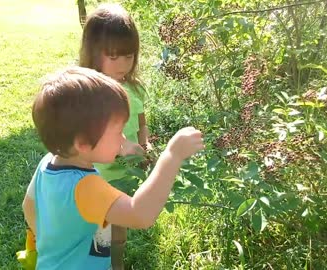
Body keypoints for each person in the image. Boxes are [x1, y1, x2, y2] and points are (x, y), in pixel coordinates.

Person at [20, 66, 204, 269]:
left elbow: (28, 206)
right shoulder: (86, 187)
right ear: (83, 143)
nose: (123, 138)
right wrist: (172, 156)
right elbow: (139, 214)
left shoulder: (47, 163)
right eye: (118, 131)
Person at [78, 4, 151, 268]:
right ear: (93, 52)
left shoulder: (134, 88)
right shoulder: (91, 92)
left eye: (129, 56)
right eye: (113, 56)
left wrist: (144, 144)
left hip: (125, 173)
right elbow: (95, 131)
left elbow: (142, 121)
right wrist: (124, 146)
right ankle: (99, 263)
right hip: (98, 175)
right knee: (101, 227)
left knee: (119, 226)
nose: (123, 64)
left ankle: (115, 264)